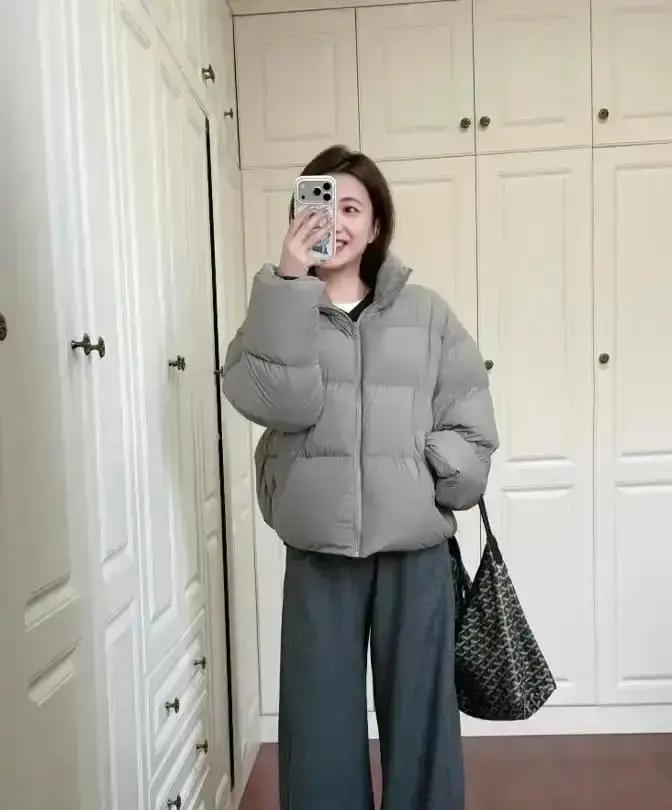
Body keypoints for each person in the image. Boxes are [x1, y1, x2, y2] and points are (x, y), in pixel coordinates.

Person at [222, 145, 498, 810]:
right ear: (300, 216)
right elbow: (272, 402)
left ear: (376, 227)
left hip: (414, 553)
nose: (337, 222)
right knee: (318, 730)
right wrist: (289, 283)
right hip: (319, 551)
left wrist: (433, 473)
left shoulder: (427, 313)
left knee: (422, 723)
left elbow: (470, 420)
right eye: (323, 206)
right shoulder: (282, 308)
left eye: (353, 208)